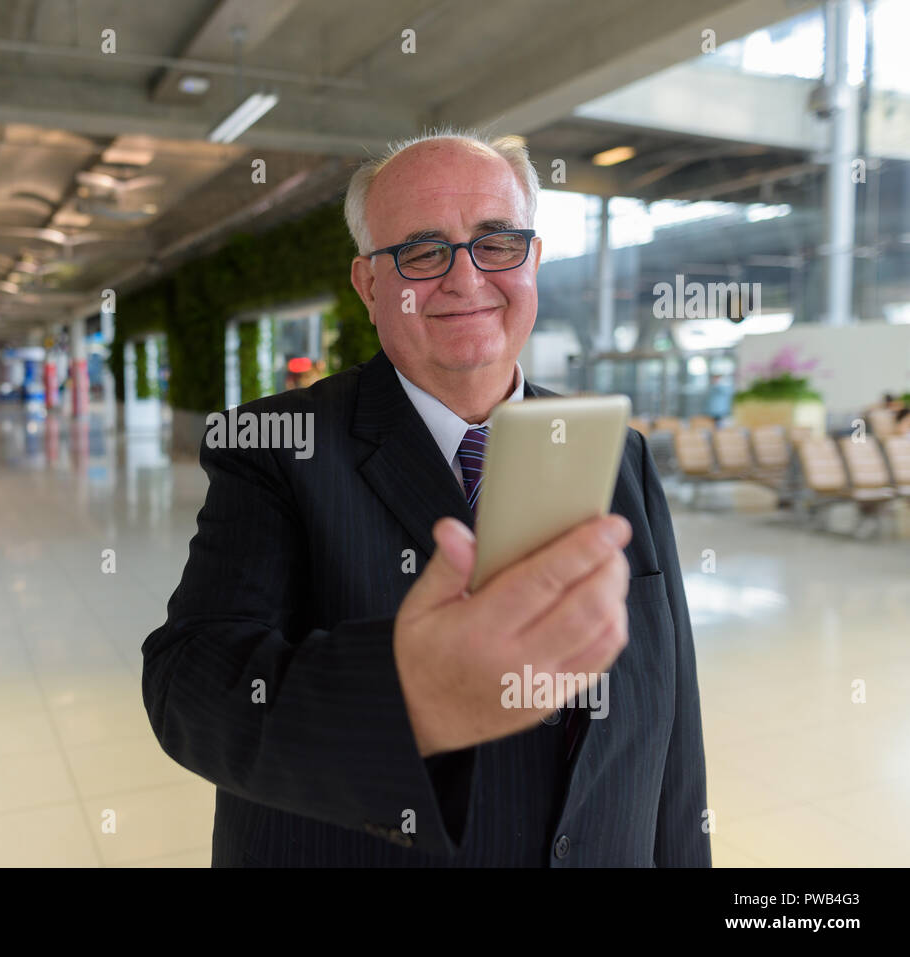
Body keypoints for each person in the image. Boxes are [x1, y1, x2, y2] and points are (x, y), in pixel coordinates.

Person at [142, 131, 710, 867]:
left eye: (496, 242)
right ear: (368, 284)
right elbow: (190, 683)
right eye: (421, 249)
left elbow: (674, 729)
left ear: (532, 260)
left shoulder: (615, 450)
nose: (466, 279)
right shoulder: (277, 445)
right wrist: (409, 698)